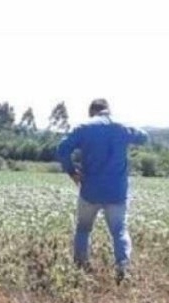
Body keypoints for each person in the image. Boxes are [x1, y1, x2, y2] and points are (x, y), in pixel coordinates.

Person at [56, 98, 149, 282]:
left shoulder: (84, 128)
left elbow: (62, 148)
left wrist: (72, 171)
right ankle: (123, 268)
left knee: (83, 229)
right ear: (108, 110)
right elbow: (144, 137)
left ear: (91, 112)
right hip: (117, 192)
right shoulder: (121, 127)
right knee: (119, 231)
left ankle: (80, 265)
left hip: (90, 189)